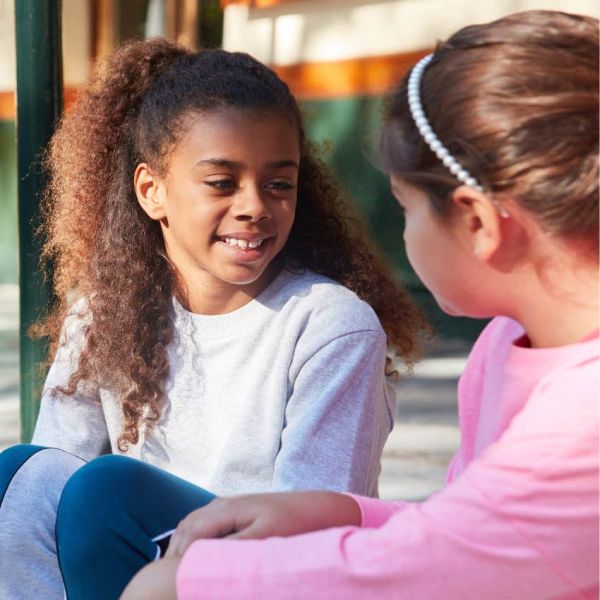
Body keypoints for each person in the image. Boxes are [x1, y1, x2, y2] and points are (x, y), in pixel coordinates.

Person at [115, 10, 597, 599]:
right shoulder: (503, 343)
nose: (403, 230)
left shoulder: (585, 413)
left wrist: (186, 582)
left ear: (475, 221)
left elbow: (436, 568)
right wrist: (336, 512)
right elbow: (471, 525)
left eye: (405, 206)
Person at [0, 40, 427, 600]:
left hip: (272, 574)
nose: (254, 204)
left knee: (105, 490)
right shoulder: (103, 312)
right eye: (222, 182)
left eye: (279, 183)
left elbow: (316, 527)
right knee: (20, 473)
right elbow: (48, 489)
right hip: (133, 566)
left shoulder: (330, 325)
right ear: (153, 191)